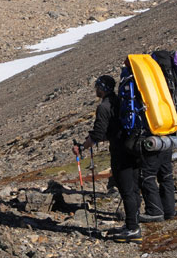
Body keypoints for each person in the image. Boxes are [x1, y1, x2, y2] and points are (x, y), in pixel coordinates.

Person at [75, 74, 142, 242]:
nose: (95, 89)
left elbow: (98, 134)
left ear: (102, 88)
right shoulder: (122, 101)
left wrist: (82, 147)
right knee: (133, 188)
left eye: (97, 86)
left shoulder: (104, 107)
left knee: (126, 189)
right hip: (133, 147)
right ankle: (133, 222)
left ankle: (133, 229)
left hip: (120, 151)